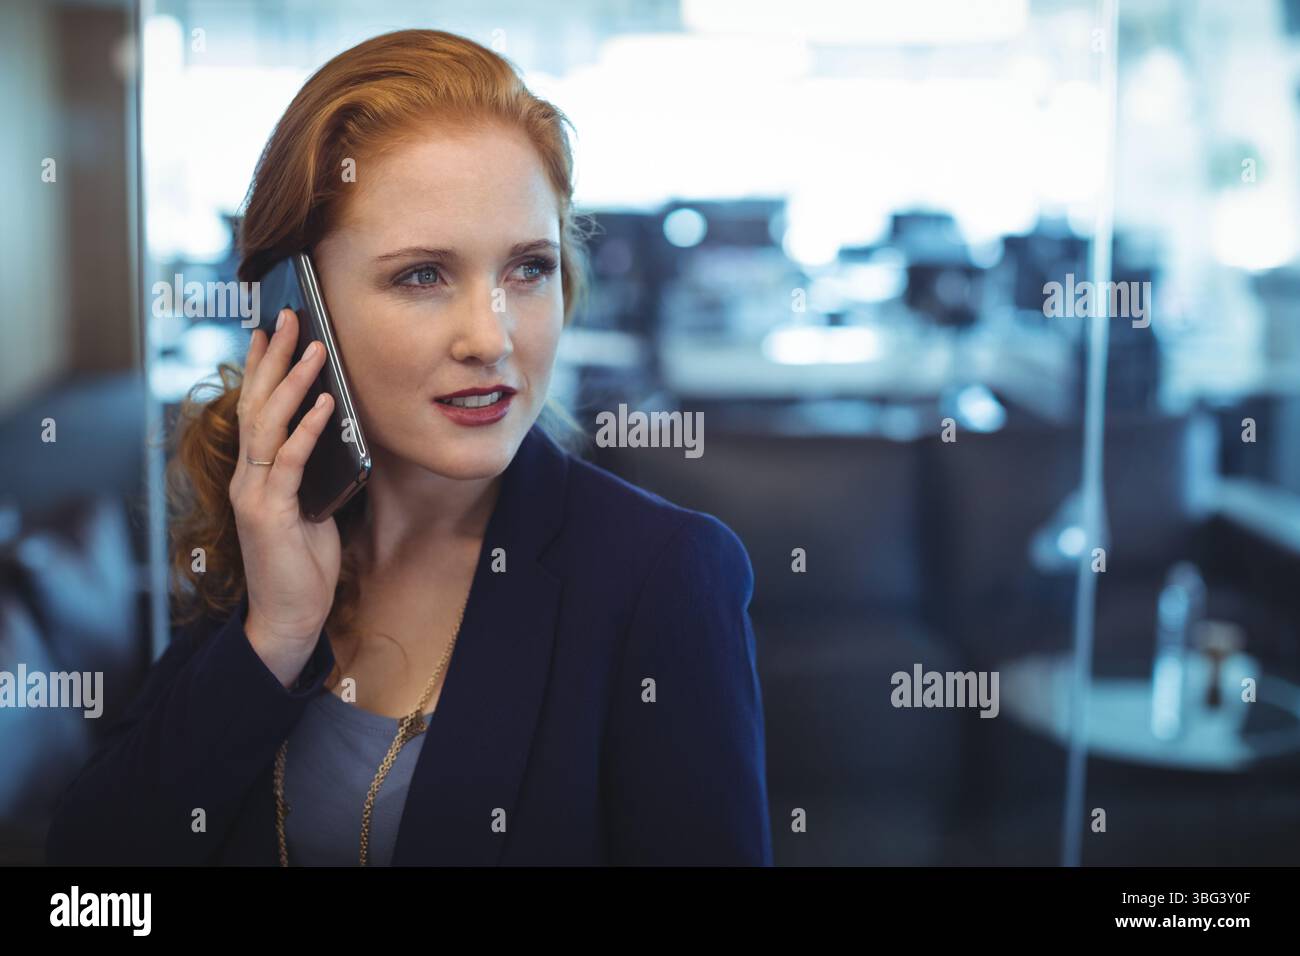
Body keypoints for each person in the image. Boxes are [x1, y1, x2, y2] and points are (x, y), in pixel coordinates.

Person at [45, 28, 772, 866]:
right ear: (296, 307)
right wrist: (275, 635)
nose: (490, 337)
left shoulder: (663, 575)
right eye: (422, 275)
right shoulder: (277, 532)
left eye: (528, 269)